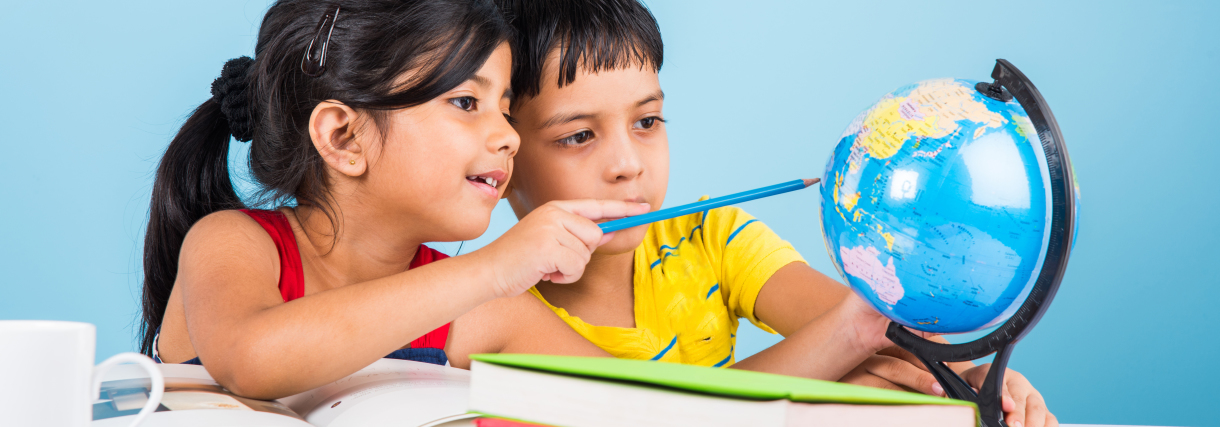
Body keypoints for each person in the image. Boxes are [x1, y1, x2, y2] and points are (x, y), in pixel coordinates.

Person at [493, 1, 1057, 426]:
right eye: (579, 136)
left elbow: (877, 328)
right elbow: (655, 416)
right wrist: (834, 358)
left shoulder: (710, 238)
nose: (626, 165)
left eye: (646, 122)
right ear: (503, 153)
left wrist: (978, 377)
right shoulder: (489, 302)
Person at [139, 0, 644, 400]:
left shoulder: (484, 314)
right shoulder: (232, 244)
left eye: (506, 111)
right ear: (343, 138)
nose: (509, 138)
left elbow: (650, 407)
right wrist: (493, 270)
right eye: (467, 102)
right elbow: (251, 358)